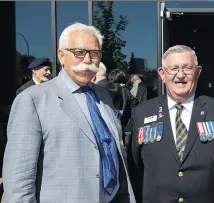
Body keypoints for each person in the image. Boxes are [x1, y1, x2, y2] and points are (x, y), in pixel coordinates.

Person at [3, 22, 135, 203]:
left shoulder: (104, 96)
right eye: (79, 52)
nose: (87, 60)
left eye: (94, 53)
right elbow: (19, 178)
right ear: (61, 55)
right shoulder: (32, 100)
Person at [128, 45, 214, 203]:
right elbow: (135, 171)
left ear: (198, 72)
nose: (180, 75)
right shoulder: (142, 113)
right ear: (162, 74)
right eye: (174, 68)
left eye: (187, 68)